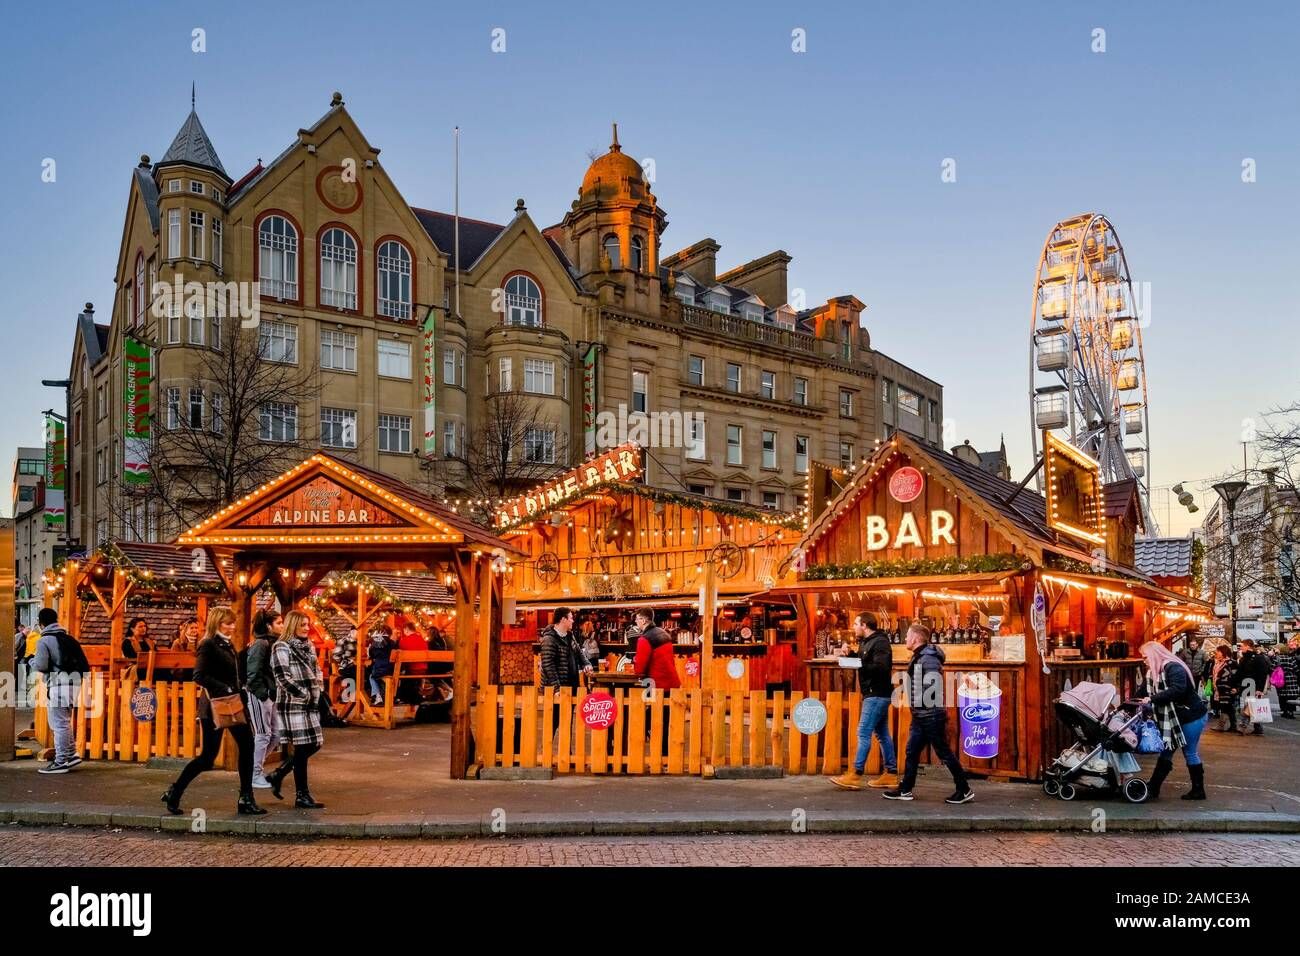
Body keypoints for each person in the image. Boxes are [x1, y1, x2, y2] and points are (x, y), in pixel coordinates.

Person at [161, 607, 266, 816]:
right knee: (208, 756)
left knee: (247, 746)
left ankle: (246, 797)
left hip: (234, 704)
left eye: (233, 623)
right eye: (228, 623)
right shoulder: (208, 644)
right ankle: (175, 790)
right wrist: (225, 688)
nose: (232, 627)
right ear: (217, 623)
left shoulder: (227, 644)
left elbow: (233, 671)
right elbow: (199, 675)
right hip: (215, 706)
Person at [884, 624, 974, 804]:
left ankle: (964, 789)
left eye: (908, 636)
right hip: (922, 715)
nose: (905, 639)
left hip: (930, 715)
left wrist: (917, 699)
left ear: (916, 638)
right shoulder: (921, 656)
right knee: (912, 751)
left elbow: (932, 685)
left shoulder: (928, 658)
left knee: (944, 752)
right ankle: (906, 789)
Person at [830, 611, 898, 791]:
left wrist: (857, 663)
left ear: (865, 625)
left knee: (863, 732)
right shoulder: (867, 642)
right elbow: (865, 661)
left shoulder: (880, 642)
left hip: (876, 694)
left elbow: (882, 667)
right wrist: (851, 655)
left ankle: (855, 774)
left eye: (856, 623)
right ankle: (890, 774)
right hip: (875, 693)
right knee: (882, 734)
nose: (853, 626)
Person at [266, 610, 326, 809]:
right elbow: (282, 677)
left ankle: (279, 774)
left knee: (314, 743)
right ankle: (302, 794)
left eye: (308, 625)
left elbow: (317, 668)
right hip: (293, 702)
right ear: (293, 625)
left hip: (310, 701)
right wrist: (303, 694)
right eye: (303, 625)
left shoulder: (308, 646)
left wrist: (319, 686)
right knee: (303, 745)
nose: (307, 628)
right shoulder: (281, 647)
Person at [1140, 640, 1209, 801]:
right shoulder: (1154, 672)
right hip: (1176, 718)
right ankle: (1154, 787)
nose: (1143, 661)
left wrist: (1152, 699)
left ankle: (1198, 790)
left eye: (1145, 657)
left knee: (1189, 752)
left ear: (1153, 655)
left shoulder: (1173, 667)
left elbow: (1178, 689)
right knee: (1167, 750)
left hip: (1191, 716)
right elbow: (1142, 690)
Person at [31, 607, 86, 774]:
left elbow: (41, 665)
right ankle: (71, 754)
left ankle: (61, 761)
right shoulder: (69, 638)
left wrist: (30, 661)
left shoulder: (44, 640)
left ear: (41, 624)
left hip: (58, 685)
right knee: (64, 720)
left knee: (59, 724)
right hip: (74, 683)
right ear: (55, 620)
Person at [245, 609, 283, 789]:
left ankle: (254, 767)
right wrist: (263, 693)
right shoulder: (260, 644)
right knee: (263, 734)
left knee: (276, 734)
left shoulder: (273, 643)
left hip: (270, 694)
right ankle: (254, 773)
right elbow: (253, 673)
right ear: (269, 626)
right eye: (279, 623)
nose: (282, 626)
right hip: (261, 694)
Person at [539, 607, 592, 690]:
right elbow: (548, 666)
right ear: (563, 619)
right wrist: (557, 688)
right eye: (571, 618)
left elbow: (579, 652)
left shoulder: (570, 636)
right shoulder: (549, 639)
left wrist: (586, 664)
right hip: (554, 691)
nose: (573, 621)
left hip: (571, 687)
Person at [631, 608, 681, 691]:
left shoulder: (644, 639)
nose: (635, 621)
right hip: (673, 683)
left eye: (636, 619)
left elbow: (639, 670)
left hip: (656, 686)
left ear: (643, 620)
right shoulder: (664, 633)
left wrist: (635, 660)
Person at [1234, 639, 1273, 735]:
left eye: (1242, 646)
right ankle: (1258, 727)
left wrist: (1260, 689)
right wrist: (1235, 685)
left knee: (1249, 706)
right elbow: (1239, 673)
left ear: (1248, 646)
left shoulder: (1258, 658)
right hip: (1246, 685)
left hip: (1253, 685)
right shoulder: (1244, 659)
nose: (1240, 648)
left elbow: (1262, 674)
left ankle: (1243, 726)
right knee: (1252, 706)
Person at [1209, 644, 1239, 732]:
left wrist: (1235, 687)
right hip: (1219, 688)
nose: (1216, 653)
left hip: (1227, 688)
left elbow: (1235, 676)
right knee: (1227, 706)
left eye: (1218, 651)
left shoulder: (1231, 663)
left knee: (1226, 706)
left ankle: (1222, 725)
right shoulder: (1217, 662)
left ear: (1223, 653)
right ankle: (1233, 725)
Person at [365, 626, 396, 706]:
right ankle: (383, 697)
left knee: (372, 676)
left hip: (380, 670)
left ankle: (377, 697)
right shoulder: (393, 643)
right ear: (389, 634)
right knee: (377, 674)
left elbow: (371, 655)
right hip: (392, 670)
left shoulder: (376, 642)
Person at [1277, 637, 1300, 719]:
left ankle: (1285, 711)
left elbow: (1273, 668)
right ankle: (1291, 712)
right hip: (1291, 680)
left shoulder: (1278, 658)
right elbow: (1296, 669)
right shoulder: (1291, 658)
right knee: (1291, 696)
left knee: (1283, 696)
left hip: (1281, 679)